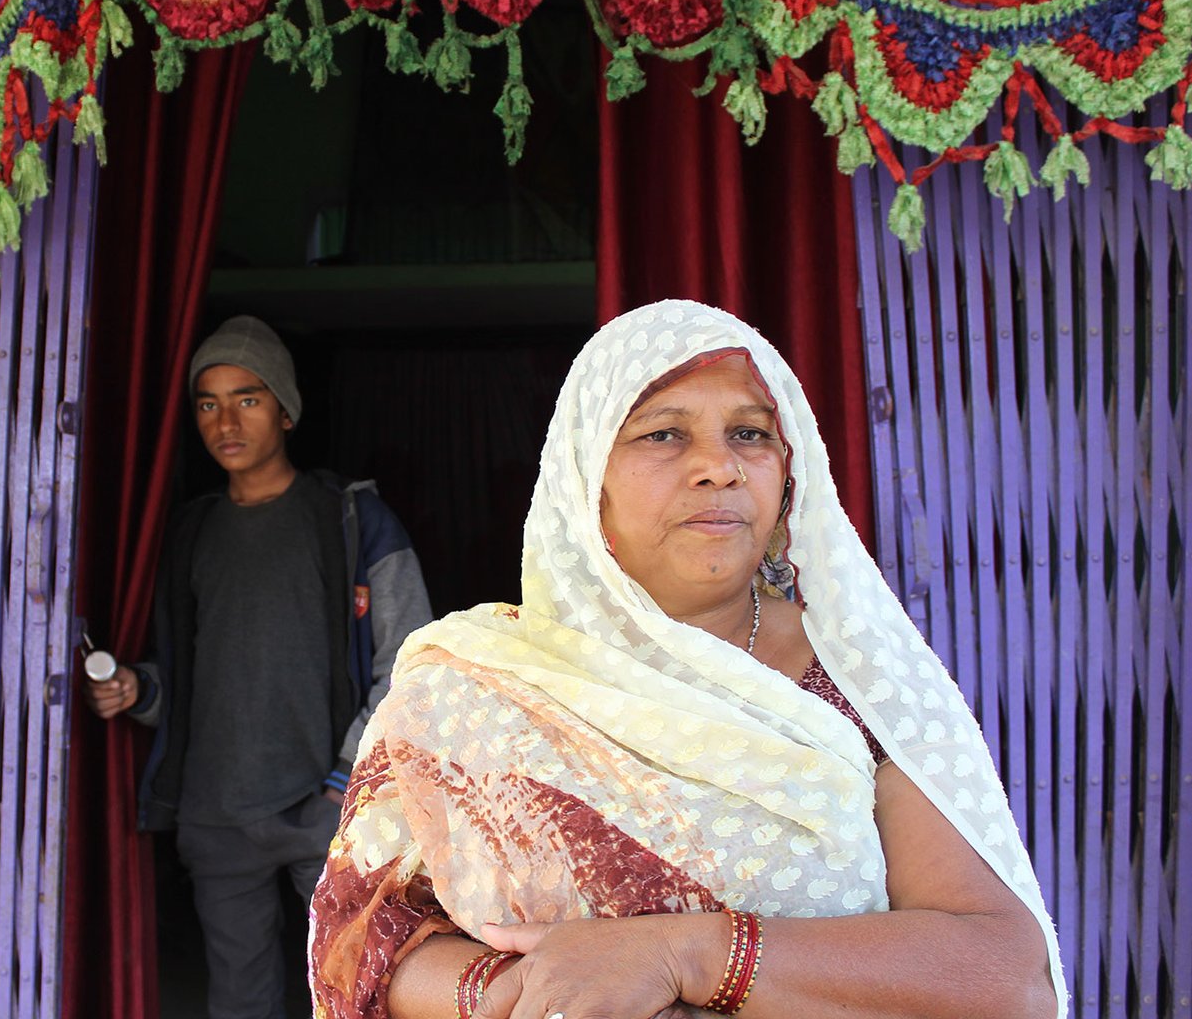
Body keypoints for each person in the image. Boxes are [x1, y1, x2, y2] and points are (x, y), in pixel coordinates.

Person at [308, 299, 1065, 1019]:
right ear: (586, 485)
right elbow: (367, 941)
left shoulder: (860, 677)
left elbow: (1003, 976)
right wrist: (516, 995)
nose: (718, 466)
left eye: (751, 433)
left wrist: (684, 956)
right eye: (663, 434)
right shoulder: (472, 686)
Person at [85, 315, 433, 1019]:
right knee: (238, 999)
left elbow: (413, 660)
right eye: (207, 403)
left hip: (327, 809)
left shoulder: (350, 519)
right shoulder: (190, 531)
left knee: (352, 991)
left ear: (285, 408)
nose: (225, 420)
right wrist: (137, 689)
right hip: (217, 814)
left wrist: (347, 781)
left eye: (246, 397)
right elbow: (187, 675)